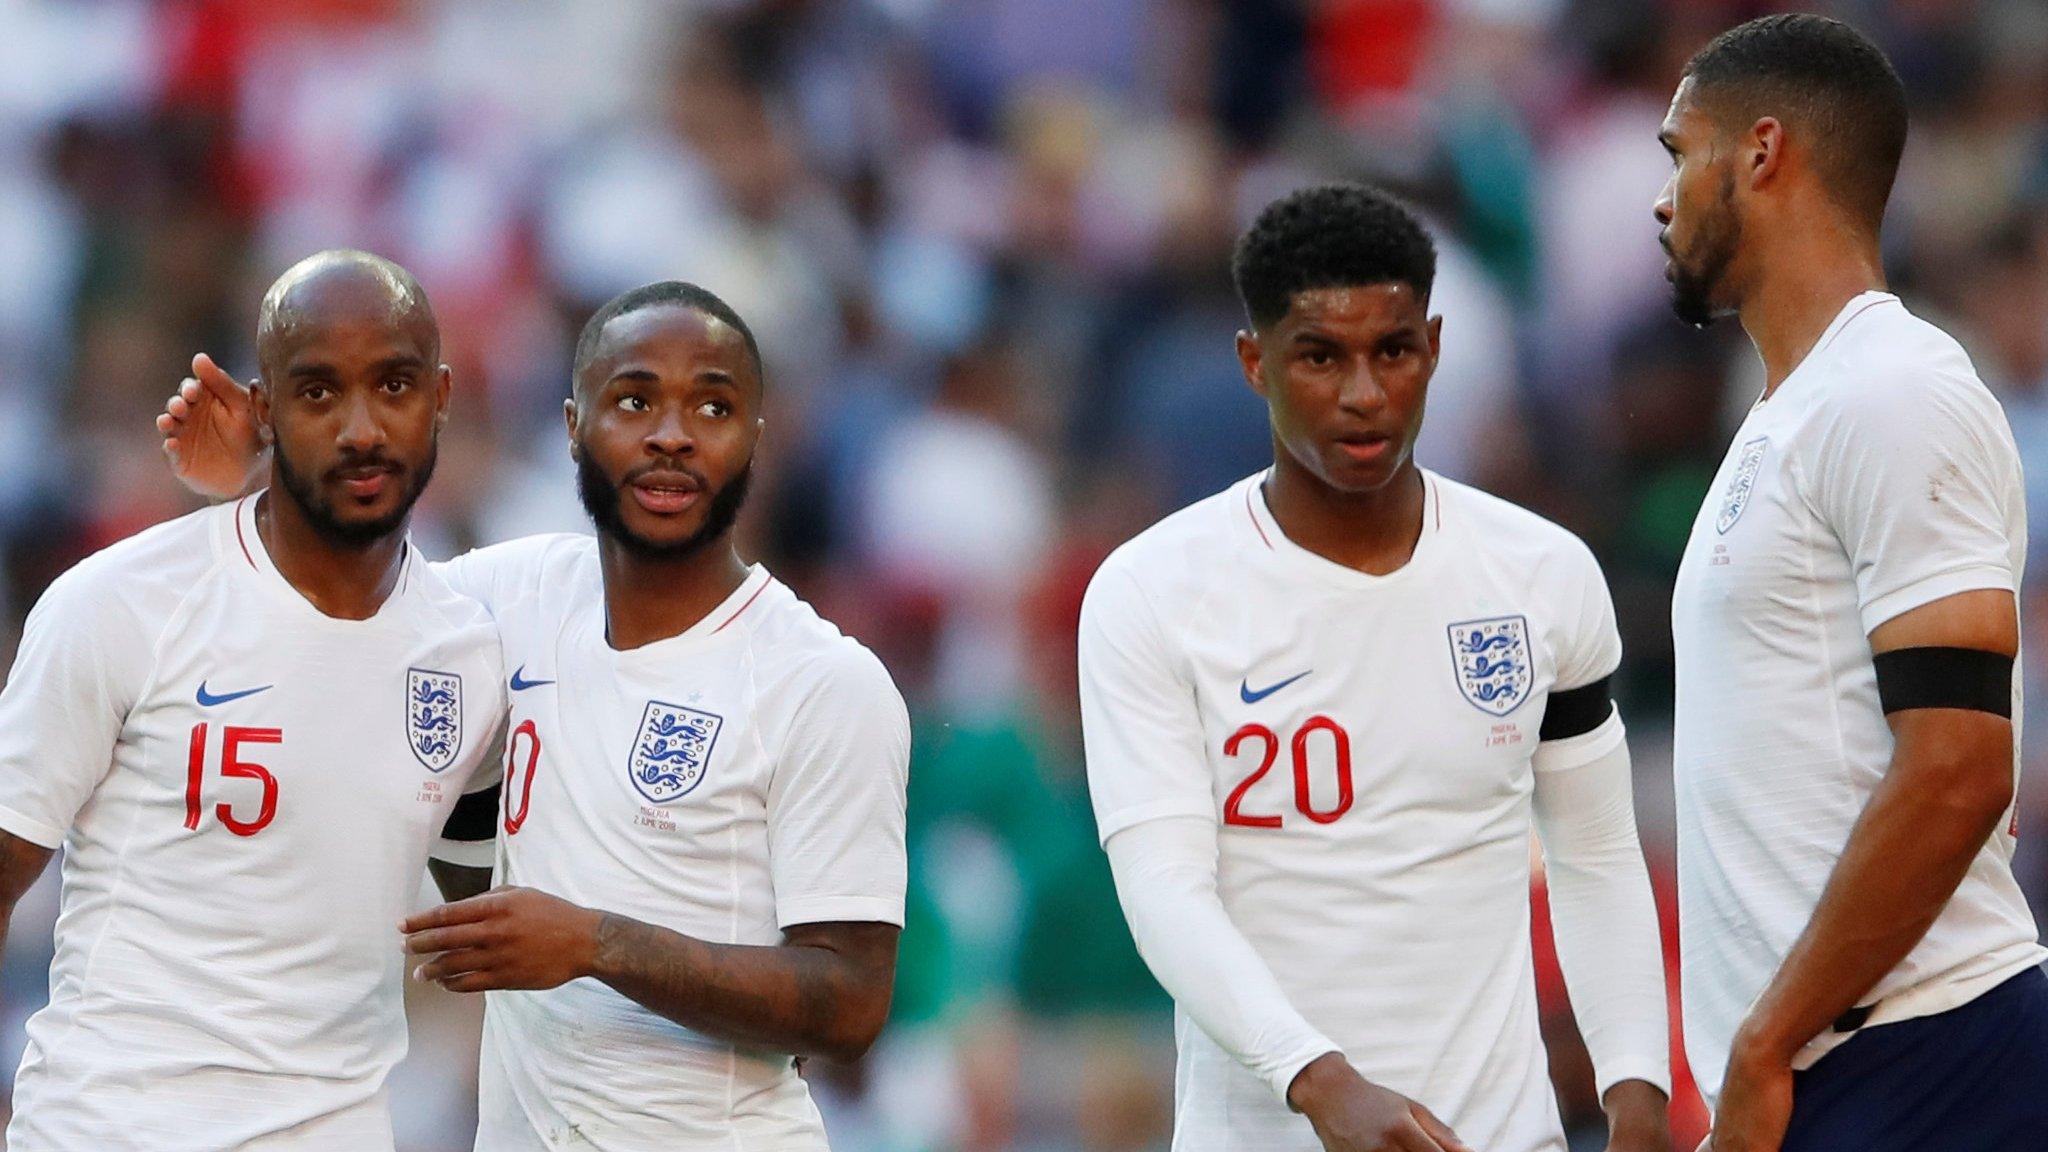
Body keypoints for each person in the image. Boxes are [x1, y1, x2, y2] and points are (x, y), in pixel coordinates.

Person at [160, 280, 910, 1151]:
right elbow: (333, 619)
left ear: (755, 440)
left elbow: (851, 1001)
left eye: (712, 405)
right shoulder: (508, 597)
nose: (671, 434)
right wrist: (248, 493)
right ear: (571, 425)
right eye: (635, 401)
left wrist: (595, 944)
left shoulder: (821, 681)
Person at [1076, 182, 1673, 1152]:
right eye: (1318, 355)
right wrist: (1316, 1080)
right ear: (1252, 364)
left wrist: (1638, 1090)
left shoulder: (1540, 574)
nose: (1362, 394)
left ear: (1432, 348)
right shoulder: (1151, 594)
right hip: (1266, 1134)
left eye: (1390, 351)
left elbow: (1594, 859)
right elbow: (1161, 890)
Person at [0, 250, 507, 1149]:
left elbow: (479, 910)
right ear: (263, 410)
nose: (361, 428)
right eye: (317, 393)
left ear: (441, 397)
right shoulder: (121, 604)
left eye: (393, 386)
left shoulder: (472, 654)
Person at [1657, 15, 2048, 1152]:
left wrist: (1764, 1042)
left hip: (1926, 1057)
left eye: (1678, 152)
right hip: (1844, 1066)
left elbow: (1959, 763)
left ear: (1762, 153)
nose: (1661, 194)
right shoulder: (1788, 410)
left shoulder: (1892, 389)